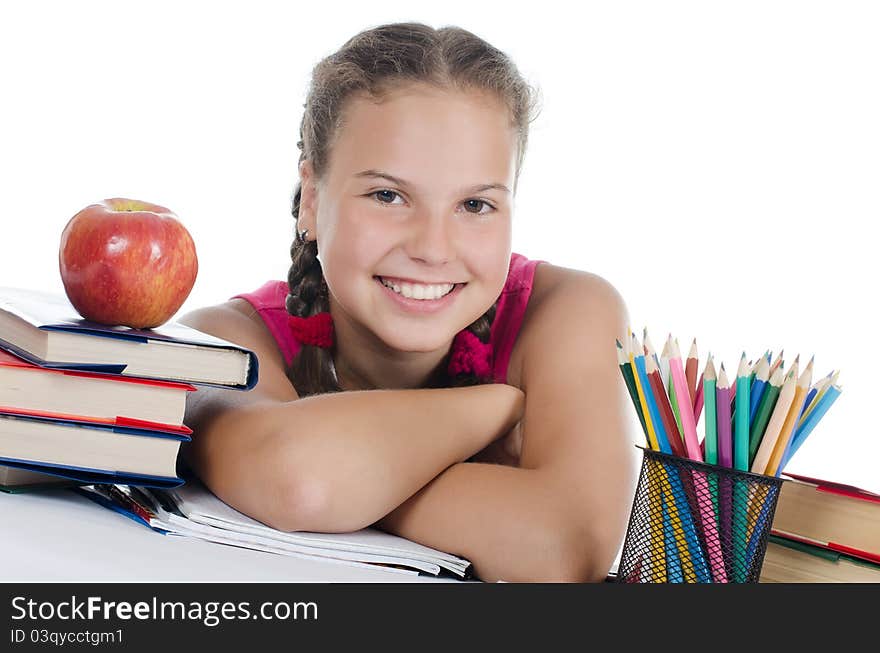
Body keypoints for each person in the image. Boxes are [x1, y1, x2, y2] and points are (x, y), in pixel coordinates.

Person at [178, 21, 636, 583]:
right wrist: (500, 406)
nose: (432, 248)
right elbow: (300, 480)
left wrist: (359, 481)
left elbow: (563, 549)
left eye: (475, 205)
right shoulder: (223, 341)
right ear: (311, 199)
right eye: (388, 195)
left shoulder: (569, 311)